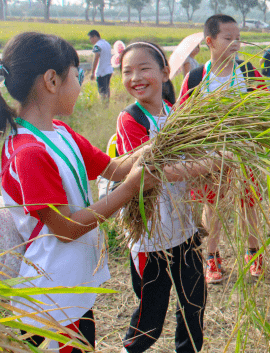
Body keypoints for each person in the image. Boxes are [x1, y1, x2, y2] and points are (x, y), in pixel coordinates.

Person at [0, 32, 155, 351]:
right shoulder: (28, 152)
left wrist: (164, 141)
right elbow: (67, 228)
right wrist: (130, 189)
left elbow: (115, 168)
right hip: (49, 303)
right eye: (76, 75)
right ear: (52, 81)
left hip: (70, 288)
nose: (80, 84)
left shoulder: (60, 133)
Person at [117, 42, 223, 353]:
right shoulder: (131, 119)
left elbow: (191, 157)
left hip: (183, 229)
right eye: (127, 71)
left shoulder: (174, 114)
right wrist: (212, 161)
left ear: (165, 73)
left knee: (194, 304)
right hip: (150, 236)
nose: (136, 77)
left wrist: (214, 161)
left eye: (144, 68)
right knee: (150, 318)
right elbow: (154, 172)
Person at [179, 14, 265, 284]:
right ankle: (212, 257)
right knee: (212, 206)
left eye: (238, 38)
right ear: (210, 41)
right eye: (228, 39)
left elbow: (266, 107)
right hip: (210, 157)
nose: (235, 44)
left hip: (244, 152)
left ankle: (254, 253)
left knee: (249, 204)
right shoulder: (196, 78)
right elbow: (181, 116)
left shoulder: (248, 73)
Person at [88, 30, 113, 104]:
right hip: (109, 70)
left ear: (94, 37)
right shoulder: (107, 43)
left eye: (90, 38)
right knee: (107, 88)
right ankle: (107, 104)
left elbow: (96, 59)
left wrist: (92, 72)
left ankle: (104, 105)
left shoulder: (97, 46)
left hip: (101, 72)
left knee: (102, 91)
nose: (90, 40)